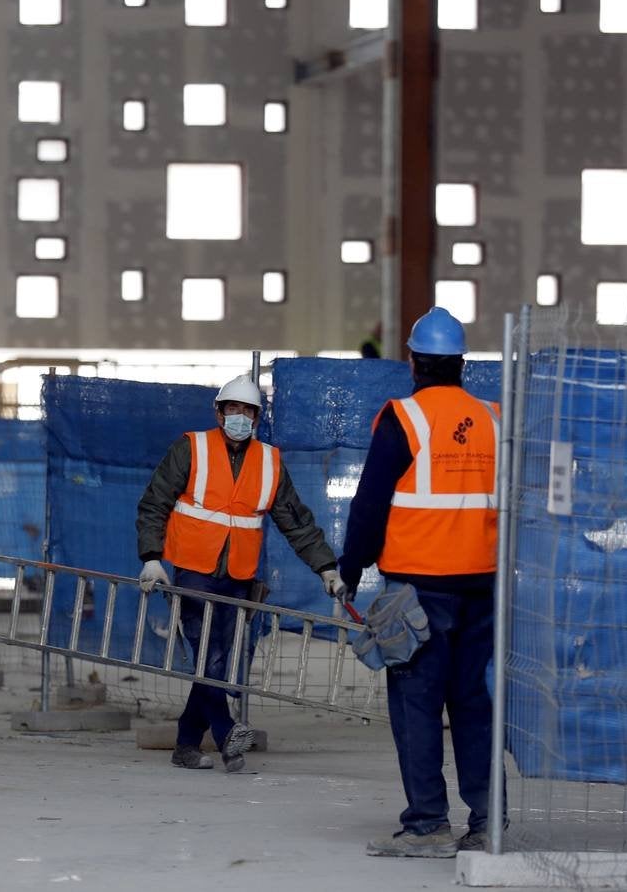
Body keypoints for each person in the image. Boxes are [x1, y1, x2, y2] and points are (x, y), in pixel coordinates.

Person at [338, 307, 501, 857]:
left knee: (417, 705)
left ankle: (428, 825)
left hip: (417, 591)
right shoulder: (493, 419)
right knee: (476, 705)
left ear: (414, 363)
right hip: (483, 586)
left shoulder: (403, 419)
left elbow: (370, 503)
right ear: (461, 364)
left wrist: (350, 568)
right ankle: (487, 823)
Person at [137, 374, 346, 773]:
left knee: (219, 662)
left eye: (247, 411)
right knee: (209, 655)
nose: (239, 417)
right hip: (193, 571)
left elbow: (296, 521)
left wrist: (326, 567)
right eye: (232, 409)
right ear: (219, 412)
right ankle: (228, 733)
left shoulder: (269, 461)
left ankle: (185, 744)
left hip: (238, 575)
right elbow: (154, 504)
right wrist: (151, 558)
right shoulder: (191, 448)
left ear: (257, 418)